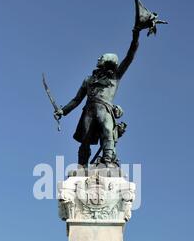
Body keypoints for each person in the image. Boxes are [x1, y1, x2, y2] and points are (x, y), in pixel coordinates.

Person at [54, 28, 140, 167]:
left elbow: (130, 56)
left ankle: (107, 161)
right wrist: (63, 111)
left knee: (107, 132)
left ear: (109, 61)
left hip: (105, 109)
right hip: (89, 110)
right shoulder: (88, 80)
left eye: (102, 57)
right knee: (85, 139)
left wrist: (136, 35)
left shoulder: (115, 78)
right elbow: (76, 100)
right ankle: (82, 166)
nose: (99, 59)